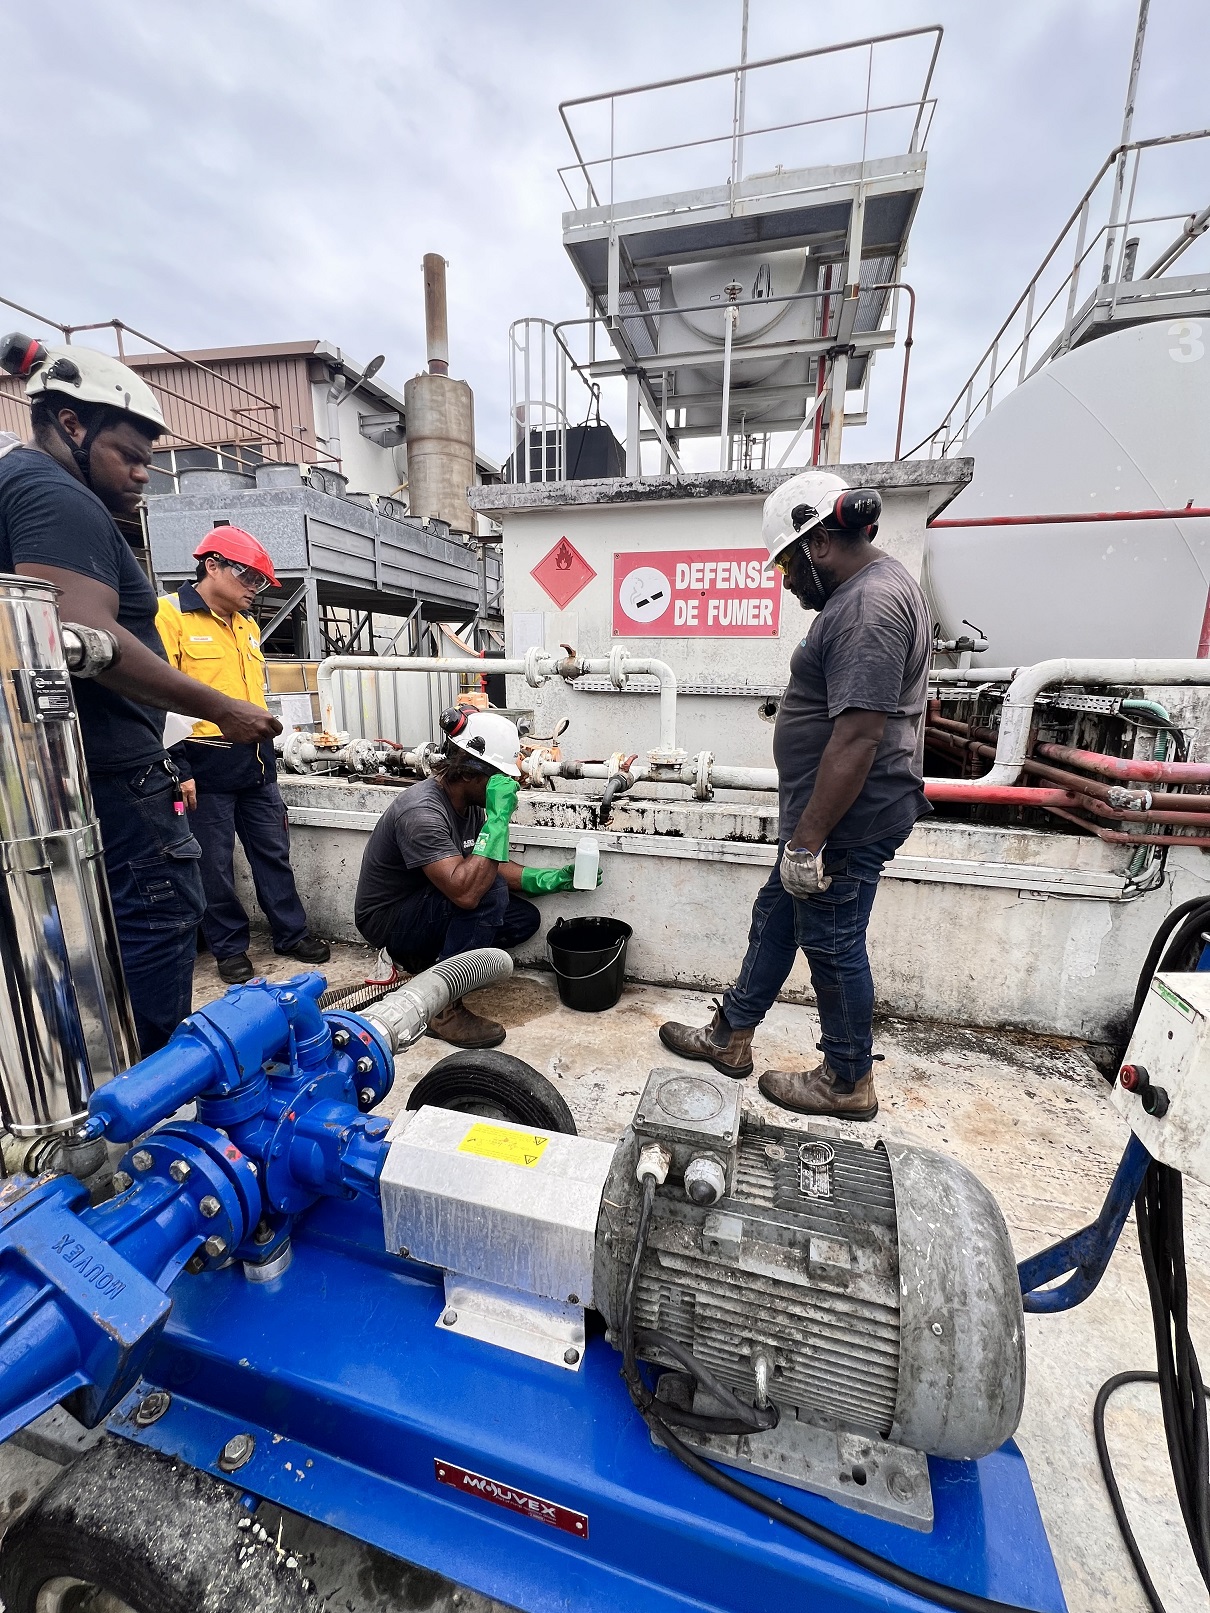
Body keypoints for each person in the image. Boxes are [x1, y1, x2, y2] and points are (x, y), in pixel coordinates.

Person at [0, 333, 280, 1054]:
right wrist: (219, 708)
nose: (143, 473)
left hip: (85, 775)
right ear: (71, 423)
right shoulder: (54, 494)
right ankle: (153, 1096)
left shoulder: (31, 489)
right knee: (161, 914)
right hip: (122, 777)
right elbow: (78, 633)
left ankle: (112, 1077)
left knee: (102, 936)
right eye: (131, 453)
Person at [659, 470, 932, 1121]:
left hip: (843, 823)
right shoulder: (871, 591)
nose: (783, 578)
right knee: (777, 914)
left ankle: (846, 1077)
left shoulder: (869, 605)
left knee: (834, 943)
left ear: (818, 543)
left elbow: (860, 736)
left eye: (785, 560)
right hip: (827, 819)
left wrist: (808, 842)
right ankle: (731, 1034)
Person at [355, 705, 600, 1049]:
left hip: (431, 899)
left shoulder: (467, 802)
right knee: (487, 896)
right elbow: (468, 892)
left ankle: (429, 961)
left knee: (522, 919)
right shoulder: (421, 813)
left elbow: (487, 864)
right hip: (390, 920)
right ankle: (442, 1007)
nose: (507, 785)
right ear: (468, 773)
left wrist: (549, 879)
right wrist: (498, 819)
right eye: (498, 777)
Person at [156, 527, 329, 984]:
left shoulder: (247, 625)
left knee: (273, 852)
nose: (254, 589)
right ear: (211, 565)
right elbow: (155, 699)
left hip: (256, 762)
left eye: (258, 582)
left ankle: (291, 933)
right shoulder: (170, 616)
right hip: (202, 761)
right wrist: (179, 767)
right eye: (248, 578)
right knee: (213, 863)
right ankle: (229, 947)